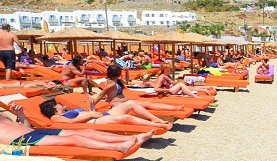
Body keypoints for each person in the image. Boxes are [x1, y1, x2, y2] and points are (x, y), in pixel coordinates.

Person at [1, 103, 151, 153]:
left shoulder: (4, 116)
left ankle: (133, 138)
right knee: (75, 139)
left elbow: (24, 126)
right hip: (21, 141)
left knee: (88, 131)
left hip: (33, 131)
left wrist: (21, 115)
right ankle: (118, 147)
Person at [90, 64, 184, 112]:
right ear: (117, 73)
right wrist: (92, 105)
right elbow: (101, 94)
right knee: (146, 105)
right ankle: (173, 109)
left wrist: (127, 72)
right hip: (117, 105)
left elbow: (127, 81)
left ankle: (173, 108)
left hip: (124, 102)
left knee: (147, 103)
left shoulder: (116, 81)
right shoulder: (110, 84)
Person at [39, 99, 171, 130]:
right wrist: (91, 116)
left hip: (100, 115)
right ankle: (157, 125)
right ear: (54, 107)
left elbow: (83, 113)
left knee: (130, 103)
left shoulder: (67, 112)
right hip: (94, 121)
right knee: (128, 118)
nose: (61, 104)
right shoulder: (55, 117)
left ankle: (156, 119)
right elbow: (71, 123)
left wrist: (91, 109)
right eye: (59, 103)